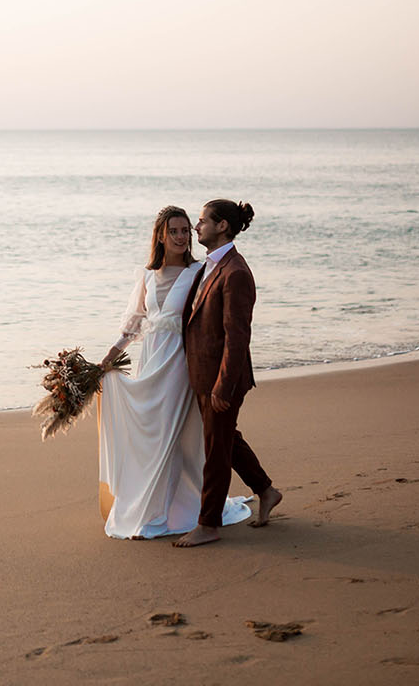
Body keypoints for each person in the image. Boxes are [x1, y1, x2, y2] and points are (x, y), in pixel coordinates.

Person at [96, 206, 252, 539]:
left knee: (172, 437)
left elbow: (213, 321)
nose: (182, 236)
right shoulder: (147, 275)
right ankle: (147, 507)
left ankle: (158, 516)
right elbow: (133, 324)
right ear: (161, 236)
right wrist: (108, 358)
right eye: (175, 231)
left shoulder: (200, 272)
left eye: (186, 230)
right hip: (151, 360)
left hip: (183, 364)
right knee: (151, 436)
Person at [173, 199, 283, 548]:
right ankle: (266, 491)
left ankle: (208, 524)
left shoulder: (235, 272)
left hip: (223, 378)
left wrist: (222, 385)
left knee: (215, 451)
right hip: (204, 375)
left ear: (222, 226)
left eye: (202, 221)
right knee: (225, 440)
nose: (196, 227)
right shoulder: (209, 266)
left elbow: (238, 337)